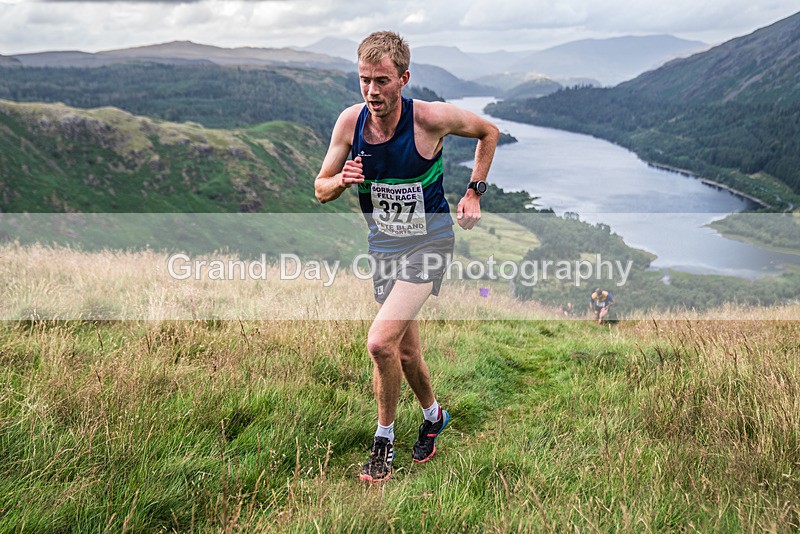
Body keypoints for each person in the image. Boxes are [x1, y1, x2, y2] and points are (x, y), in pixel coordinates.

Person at [314, 31, 499, 483]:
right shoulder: (349, 123)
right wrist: (341, 181)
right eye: (364, 81)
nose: (372, 92)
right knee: (408, 354)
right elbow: (320, 188)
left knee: (380, 342)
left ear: (403, 78)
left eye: (382, 81)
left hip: (430, 243)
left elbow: (488, 131)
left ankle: (383, 440)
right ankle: (434, 416)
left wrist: (474, 192)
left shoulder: (430, 119)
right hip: (384, 250)